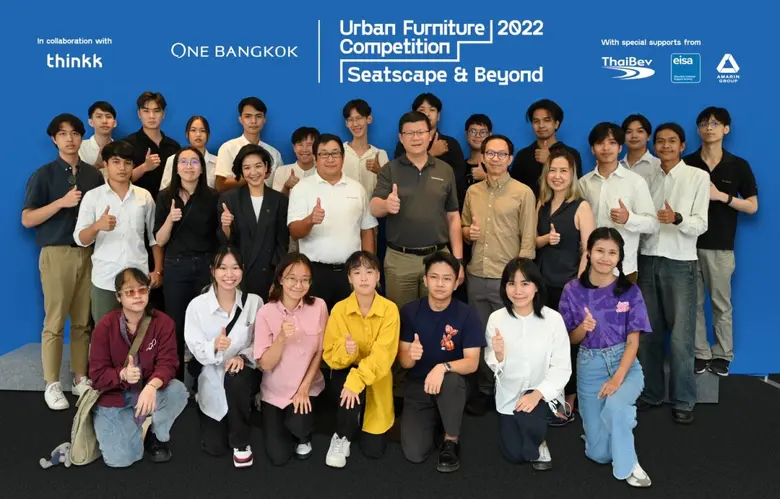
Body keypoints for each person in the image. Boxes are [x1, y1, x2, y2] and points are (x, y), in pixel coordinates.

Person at [22, 113, 105, 409]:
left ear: (82, 137)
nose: (70, 139)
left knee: (83, 321)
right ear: (54, 139)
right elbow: (27, 218)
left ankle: (80, 378)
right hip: (57, 253)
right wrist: (61, 203)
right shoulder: (43, 174)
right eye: (63, 134)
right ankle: (52, 383)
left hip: (89, 253)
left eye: (75, 133)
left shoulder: (93, 176)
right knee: (55, 321)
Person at [558, 228, 652, 487]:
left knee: (616, 406)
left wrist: (618, 379)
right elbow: (570, 339)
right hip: (590, 364)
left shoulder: (630, 291)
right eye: (600, 250)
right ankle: (613, 427)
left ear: (619, 257)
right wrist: (583, 328)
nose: (605, 258)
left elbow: (633, 341)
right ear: (588, 252)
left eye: (612, 253)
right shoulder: (572, 290)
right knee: (598, 454)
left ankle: (630, 464)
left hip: (625, 363)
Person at [637, 123, 709, 424]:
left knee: (681, 337)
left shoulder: (697, 176)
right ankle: (651, 393)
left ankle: (683, 400)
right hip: (647, 259)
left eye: (672, 141)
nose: (665, 146)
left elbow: (701, 224)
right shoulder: (646, 177)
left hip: (680, 262)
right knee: (648, 334)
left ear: (682, 146)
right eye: (660, 141)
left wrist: (677, 218)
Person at [460, 134, 536, 414]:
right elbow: (463, 229)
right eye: (490, 153)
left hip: (507, 280)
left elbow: (528, 241)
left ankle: (512, 389)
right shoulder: (472, 192)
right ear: (482, 157)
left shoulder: (523, 193)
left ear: (510, 159)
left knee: (510, 337)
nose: (495, 159)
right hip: (476, 275)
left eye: (501, 154)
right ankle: (485, 389)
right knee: (481, 337)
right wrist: (468, 233)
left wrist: (520, 283)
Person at [683, 107, 758, 377]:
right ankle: (700, 352)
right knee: (692, 304)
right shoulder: (687, 163)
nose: (709, 128)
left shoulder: (738, 165)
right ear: (698, 129)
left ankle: (723, 354)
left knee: (721, 303)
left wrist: (721, 196)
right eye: (704, 123)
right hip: (687, 245)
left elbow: (752, 206)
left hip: (721, 247)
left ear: (726, 129)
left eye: (715, 123)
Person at [89, 267, 189, 468]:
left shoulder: (163, 323)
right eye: (129, 292)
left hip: (147, 393)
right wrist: (122, 374)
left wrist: (152, 386)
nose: (137, 296)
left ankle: (155, 435)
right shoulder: (104, 327)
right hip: (115, 398)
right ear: (118, 297)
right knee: (120, 460)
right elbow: (97, 375)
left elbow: (169, 363)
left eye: (142, 290)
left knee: (177, 391)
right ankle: (134, 425)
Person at [397, 252, 483, 472]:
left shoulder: (467, 314)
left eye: (447, 278)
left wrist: (442, 368)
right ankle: (437, 418)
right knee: (414, 453)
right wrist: (411, 355)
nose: (440, 284)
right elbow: (405, 363)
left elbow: (472, 362)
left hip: (454, 383)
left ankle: (451, 439)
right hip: (419, 384)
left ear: (456, 283)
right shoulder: (409, 311)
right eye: (434, 277)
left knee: (451, 381)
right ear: (425, 280)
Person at [484, 258, 571, 471]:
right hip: (509, 394)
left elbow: (562, 367)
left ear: (536, 287)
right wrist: (499, 355)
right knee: (514, 455)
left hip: (543, 393)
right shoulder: (496, 319)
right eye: (511, 283)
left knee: (530, 423)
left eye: (525, 283)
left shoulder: (553, 319)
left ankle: (539, 434)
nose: (518, 291)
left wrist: (537, 394)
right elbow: (494, 366)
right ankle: (531, 430)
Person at [371, 111, 465, 308]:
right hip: (400, 259)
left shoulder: (445, 170)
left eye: (420, 132)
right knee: (401, 316)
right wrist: (386, 205)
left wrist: (457, 260)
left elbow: (453, 216)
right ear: (401, 137)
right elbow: (374, 207)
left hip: (438, 257)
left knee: (438, 315)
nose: (416, 138)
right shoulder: (390, 169)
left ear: (430, 135)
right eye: (409, 133)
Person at [184, 247, 263, 467]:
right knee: (215, 447)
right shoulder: (197, 306)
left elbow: (260, 342)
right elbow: (194, 346)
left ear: (242, 270)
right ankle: (207, 405)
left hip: (241, 375)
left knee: (236, 377)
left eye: (235, 268)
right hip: (211, 374)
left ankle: (241, 442)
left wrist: (242, 357)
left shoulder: (254, 302)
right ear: (213, 271)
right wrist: (214, 346)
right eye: (223, 268)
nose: (229, 274)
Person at [322, 251, 400, 467]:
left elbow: (383, 356)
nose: (363, 278)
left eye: (369, 272)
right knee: (346, 393)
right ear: (349, 278)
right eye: (357, 273)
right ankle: (341, 435)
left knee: (374, 450)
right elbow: (329, 354)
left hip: (375, 374)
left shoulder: (390, 310)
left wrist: (356, 381)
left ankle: (360, 418)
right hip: (346, 368)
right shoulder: (339, 309)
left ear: (378, 276)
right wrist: (346, 351)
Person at [74, 140, 162, 324]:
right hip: (105, 278)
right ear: (105, 165)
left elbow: (154, 238)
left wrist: (158, 270)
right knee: (105, 331)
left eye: (127, 163)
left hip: (138, 277)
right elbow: (81, 239)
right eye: (116, 162)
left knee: (139, 331)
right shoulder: (93, 197)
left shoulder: (144, 196)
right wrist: (97, 226)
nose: (122, 168)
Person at [535, 149, 594, 422]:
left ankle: (569, 398)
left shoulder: (581, 206)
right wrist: (546, 239)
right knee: (545, 344)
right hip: (541, 284)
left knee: (568, 345)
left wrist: (579, 286)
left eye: (563, 171)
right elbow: (531, 241)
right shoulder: (541, 204)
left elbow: (588, 250)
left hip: (568, 286)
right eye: (553, 170)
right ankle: (547, 393)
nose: (557, 176)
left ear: (572, 175)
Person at [288, 133, 377, 311]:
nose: (330, 159)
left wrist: (369, 268)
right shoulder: (301, 189)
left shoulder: (357, 188)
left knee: (351, 322)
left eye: (335, 153)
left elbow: (367, 230)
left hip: (351, 272)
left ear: (343, 158)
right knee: (316, 323)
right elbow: (294, 232)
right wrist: (310, 220)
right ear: (315, 159)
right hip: (314, 272)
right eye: (324, 154)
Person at [254, 253, 327, 465]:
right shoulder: (266, 312)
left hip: (307, 387)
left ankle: (302, 434)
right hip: (275, 392)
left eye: (305, 279)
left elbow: (320, 351)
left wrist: (304, 388)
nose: (298, 285)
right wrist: (281, 338)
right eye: (292, 278)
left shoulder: (319, 306)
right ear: (280, 279)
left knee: (299, 425)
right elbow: (265, 364)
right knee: (278, 456)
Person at [155, 147, 220, 380]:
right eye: (183, 162)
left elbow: (220, 238)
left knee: (206, 325)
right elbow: (159, 240)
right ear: (176, 168)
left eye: (194, 162)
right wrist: (170, 220)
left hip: (205, 266)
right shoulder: (165, 197)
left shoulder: (213, 197)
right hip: (176, 267)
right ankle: (176, 384)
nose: (189, 166)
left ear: (202, 168)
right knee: (175, 324)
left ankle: (205, 382)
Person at [579, 123, 658, 281]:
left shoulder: (635, 182)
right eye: (600, 143)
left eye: (612, 142)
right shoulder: (584, 183)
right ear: (592, 149)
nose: (606, 148)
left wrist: (629, 219)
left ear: (620, 148)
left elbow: (653, 224)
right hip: (590, 266)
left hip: (624, 268)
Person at [218, 144, 289, 302]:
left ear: (266, 168)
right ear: (241, 171)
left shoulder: (279, 200)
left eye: (258, 166)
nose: (253, 172)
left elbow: (281, 244)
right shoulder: (229, 199)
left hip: (268, 276)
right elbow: (225, 243)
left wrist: (277, 279)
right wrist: (225, 226)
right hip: (238, 276)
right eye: (247, 168)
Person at [393, 93, 469, 208]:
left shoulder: (450, 144)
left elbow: (458, 179)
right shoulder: (404, 144)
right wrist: (431, 153)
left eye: (432, 110)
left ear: (438, 116)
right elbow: (400, 174)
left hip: (444, 206)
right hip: (410, 206)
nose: (427, 114)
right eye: (422, 110)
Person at [509, 99, 582, 198]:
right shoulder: (523, 155)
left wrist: (550, 161)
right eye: (536, 121)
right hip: (530, 207)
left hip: (563, 207)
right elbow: (514, 189)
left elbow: (576, 188)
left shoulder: (571, 154)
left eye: (547, 120)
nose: (541, 125)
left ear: (556, 124)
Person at [215, 97, 283, 193]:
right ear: (240, 119)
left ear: (264, 119)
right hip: (236, 201)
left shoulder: (274, 154)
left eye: (258, 116)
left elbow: (279, 189)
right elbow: (220, 185)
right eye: (248, 116)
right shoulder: (228, 148)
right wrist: (252, 177)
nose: (253, 121)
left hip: (267, 202)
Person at [124, 91, 181, 201]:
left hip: (169, 205)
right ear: (139, 114)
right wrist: (144, 167)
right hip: (137, 204)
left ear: (163, 114)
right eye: (146, 111)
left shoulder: (174, 146)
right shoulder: (128, 144)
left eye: (156, 111)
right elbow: (120, 180)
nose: (152, 116)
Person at [341, 99, 389, 198]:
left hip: (373, 207)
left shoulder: (380, 154)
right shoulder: (339, 152)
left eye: (359, 118)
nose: (355, 124)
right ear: (346, 124)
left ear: (369, 119)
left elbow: (390, 187)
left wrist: (379, 171)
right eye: (350, 120)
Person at [159, 116, 218, 190]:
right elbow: (164, 190)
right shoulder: (173, 160)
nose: (198, 134)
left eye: (202, 131)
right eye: (193, 130)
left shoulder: (217, 162)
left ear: (208, 135)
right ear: (187, 134)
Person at [272, 127, 320, 196]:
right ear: (294, 148)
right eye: (300, 145)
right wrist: (286, 187)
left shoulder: (323, 173)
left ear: (317, 147)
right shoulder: (282, 171)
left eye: (309, 145)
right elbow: (276, 201)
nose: (304, 149)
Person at [619, 114, 662, 183]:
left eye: (640, 131)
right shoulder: (617, 167)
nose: (634, 136)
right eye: (629, 132)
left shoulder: (658, 165)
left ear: (648, 136)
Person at [79, 101, 117, 173]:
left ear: (114, 123)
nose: (104, 121)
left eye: (108, 117)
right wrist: (97, 165)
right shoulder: (80, 148)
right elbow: (72, 177)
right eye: (99, 117)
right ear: (91, 122)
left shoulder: (120, 149)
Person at [463, 113, 492, 187]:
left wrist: (485, 177)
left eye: (483, 132)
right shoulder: (460, 166)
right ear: (466, 134)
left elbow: (509, 189)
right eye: (473, 131)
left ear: (490, 135)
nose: (477, 135)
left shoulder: (496, 165)